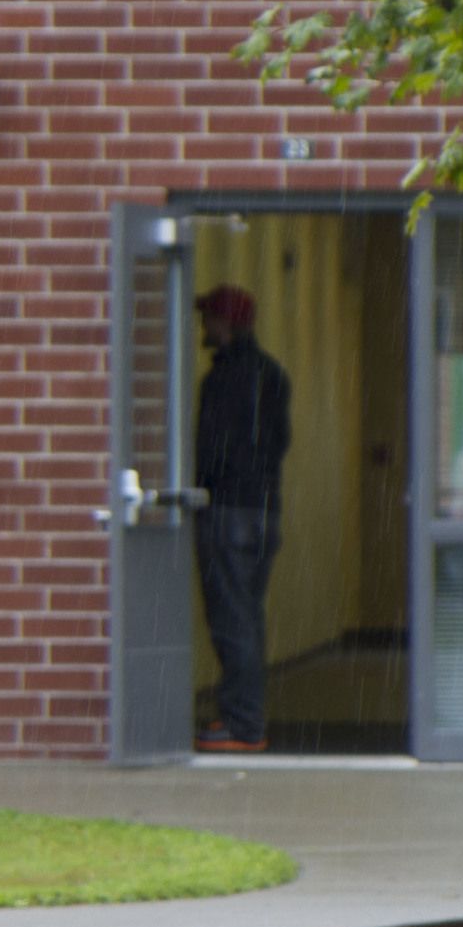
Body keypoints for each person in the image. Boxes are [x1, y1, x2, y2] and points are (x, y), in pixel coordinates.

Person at [191, 283, 291, 755]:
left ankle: (242, 724)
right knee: (248, 616)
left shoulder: (221, 379)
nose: (202, 327)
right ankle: (244, 717)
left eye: (208, 318)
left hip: (227, 511)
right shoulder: (273, 374)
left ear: (225, 323)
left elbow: (210, 450)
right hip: (264, 512)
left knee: (232, 620)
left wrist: (200, 491)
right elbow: (279, 442)